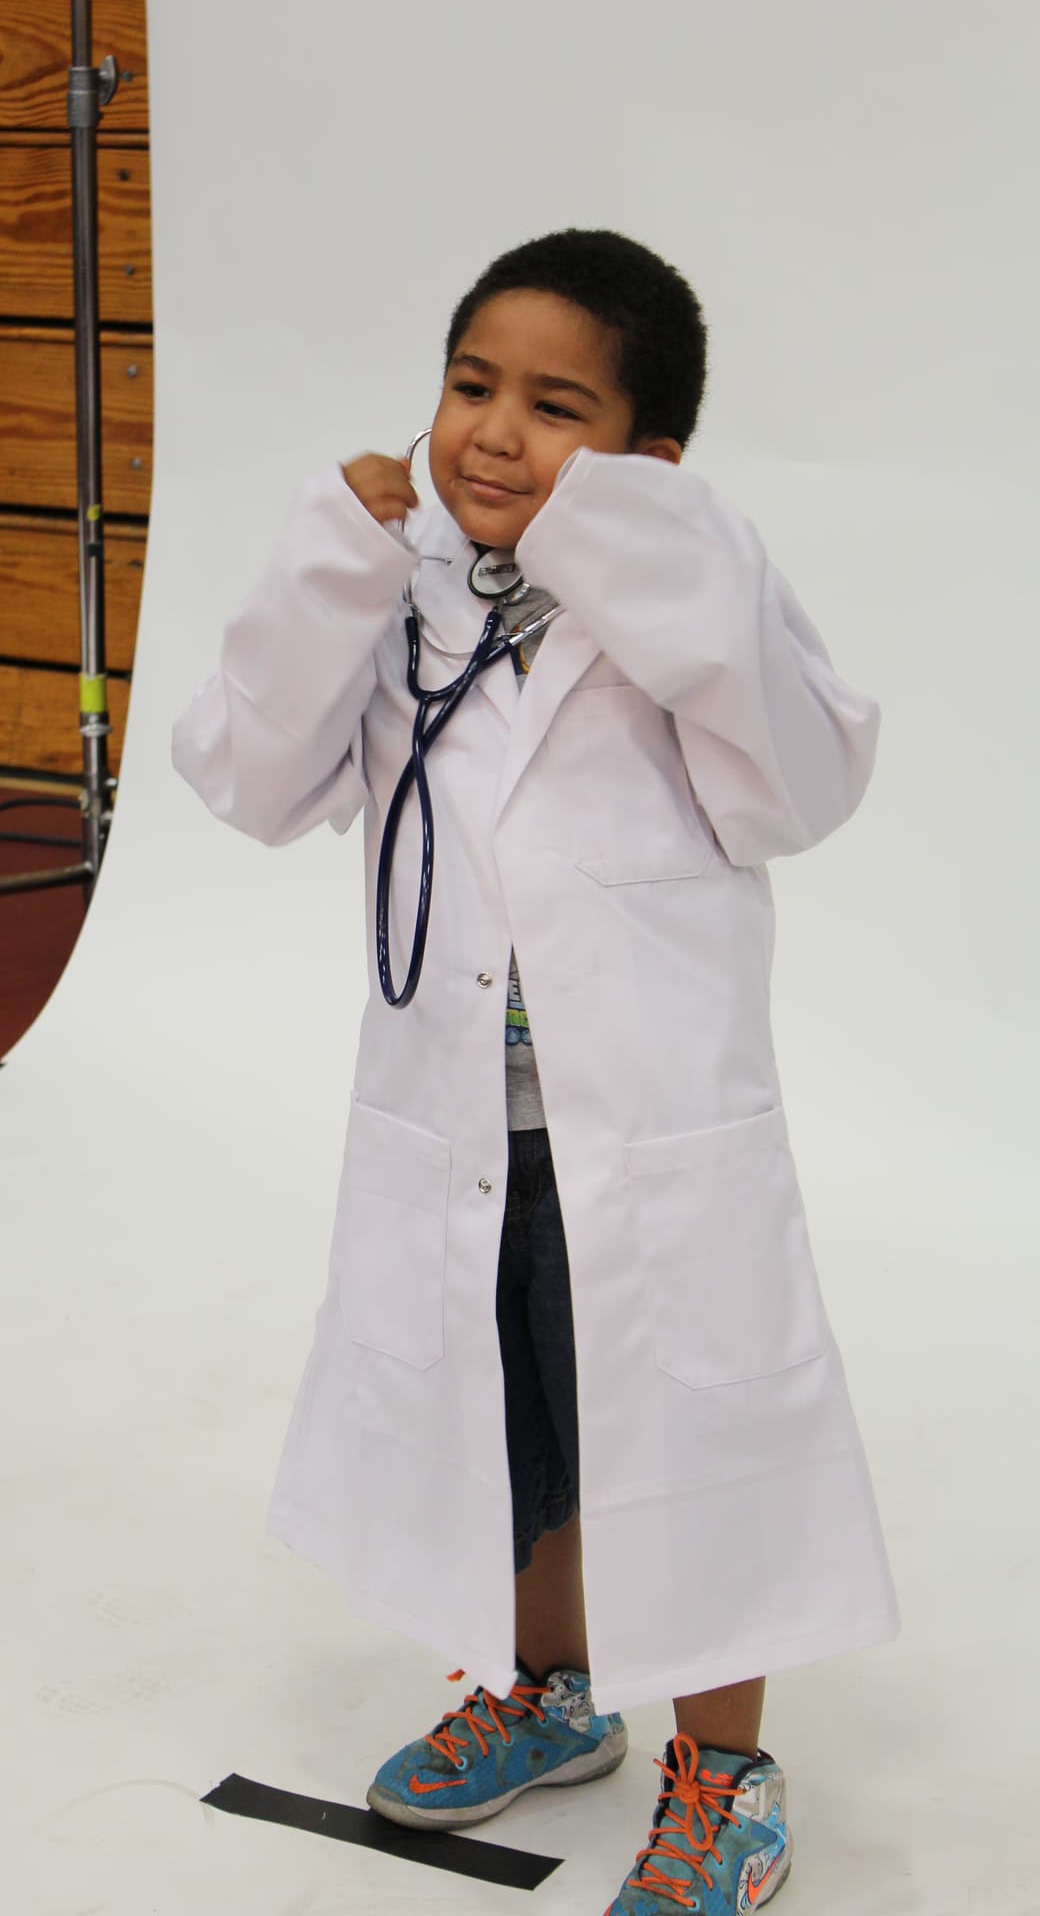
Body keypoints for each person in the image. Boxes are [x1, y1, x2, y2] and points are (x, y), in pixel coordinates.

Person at [171, 229, 899, 1914]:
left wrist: (639, 553)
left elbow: (802, 783)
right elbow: (250, 779)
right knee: (516, 1431)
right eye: (469, 386)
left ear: (651, 465)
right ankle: (552, 1690)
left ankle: (724, 1777)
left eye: (556, 409)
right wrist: (330, 566)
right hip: (463, 1123)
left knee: (688, 1433)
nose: (493, 434)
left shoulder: (694, 597)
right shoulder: (404, 589)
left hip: (648, 1132)